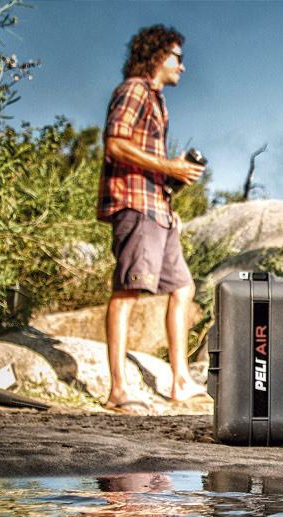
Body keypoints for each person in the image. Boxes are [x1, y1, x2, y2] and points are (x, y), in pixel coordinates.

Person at [98, 25, 207, 415]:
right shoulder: (134, 90)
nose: (182, 64)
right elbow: (114, 143)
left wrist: (169, 192)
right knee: (128, 291)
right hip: (134, 205)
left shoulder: (158, 101)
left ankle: (180, 382)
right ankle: (117, 389)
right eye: (176, 56)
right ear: (157, 56)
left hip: (157, 208)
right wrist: (168, 165)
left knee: (183, 289)